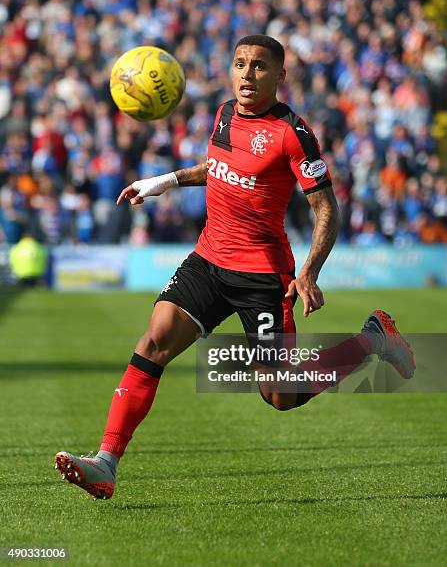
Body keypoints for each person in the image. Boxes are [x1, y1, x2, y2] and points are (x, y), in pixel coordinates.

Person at [54, 35, 414, 500]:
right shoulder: (225, 113)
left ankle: (372, 338)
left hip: (262, 277)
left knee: (280, 396)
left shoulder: (293, 133)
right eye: (240, 63)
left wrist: (308, 272)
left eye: (260, 67)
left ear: (280, 76)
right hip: (208, 260)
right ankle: (105, 463)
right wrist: (164, 181)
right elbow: (219, 166)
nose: (247, 74)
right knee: (153, 341)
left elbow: (327, 208)